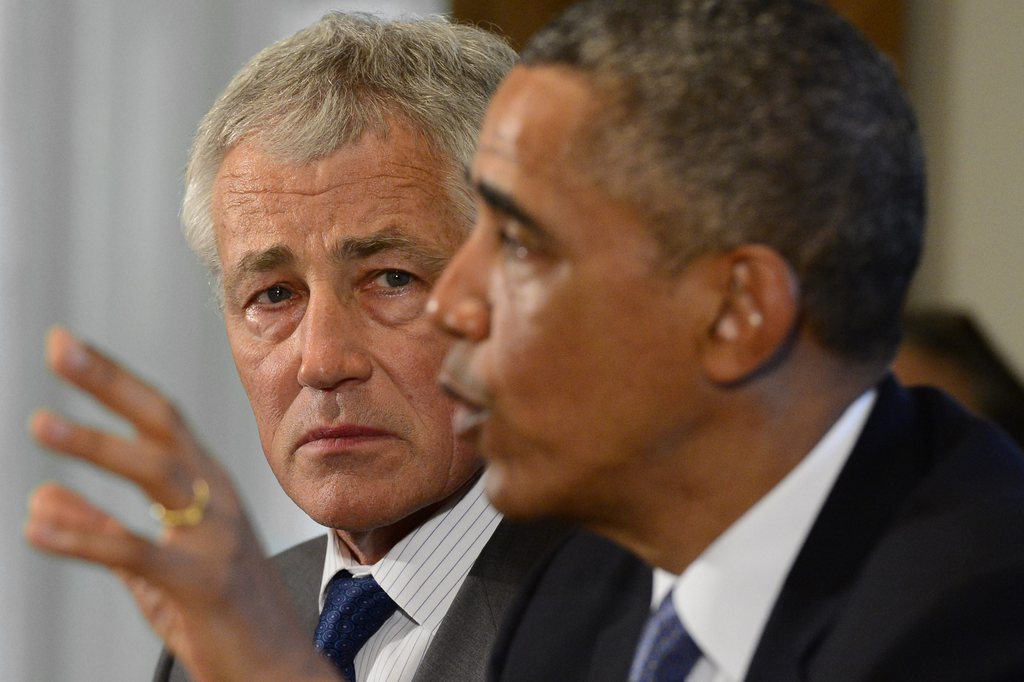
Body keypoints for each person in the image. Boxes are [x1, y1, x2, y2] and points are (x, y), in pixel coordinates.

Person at [426, 0, 1024, 680]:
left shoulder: (977, 617)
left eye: (519, 244)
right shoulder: (577, 593)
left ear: (736, 313)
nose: (449, 302)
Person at [25, 12, 569, 682]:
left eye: (390, 280)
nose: (321, 362)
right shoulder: (237, 625)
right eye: (274, 296)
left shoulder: (634, 608)